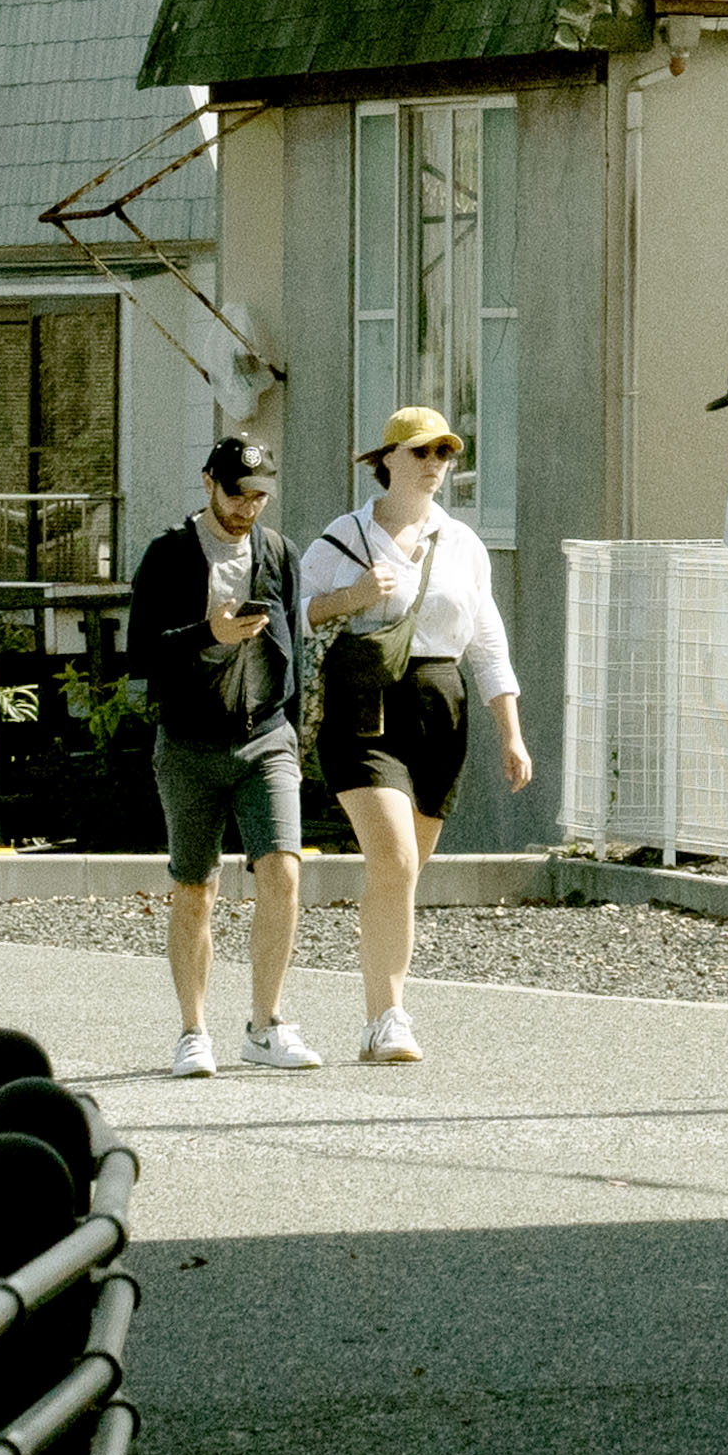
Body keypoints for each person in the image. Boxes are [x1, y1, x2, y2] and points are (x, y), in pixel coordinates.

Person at [298, 407, 532, 1067]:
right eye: (422, 451)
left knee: (403, 875)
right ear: (388, 458)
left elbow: (487, 642)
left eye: (446, 452)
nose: (435, 463)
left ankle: (383, 1001)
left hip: (441, 707)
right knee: (396, 862)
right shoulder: (345, 536)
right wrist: (351, 596)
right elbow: (294, 609)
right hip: (364, 705)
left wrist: (511, 734)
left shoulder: (462, 543)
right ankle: (387, 1017)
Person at [127, 436, 312, 1076]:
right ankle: (192, 1032)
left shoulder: (278, 553)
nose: (248, 507)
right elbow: (140, 653)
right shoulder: (168, 554)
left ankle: (266, 1025)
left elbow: (293, 640)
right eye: (237, 493)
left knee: (284, 871)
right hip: (188, 743)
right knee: (195, 888)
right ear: (208, 481)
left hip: (266, 737)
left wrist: (293, 723)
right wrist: (211, 633)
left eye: (260, 495)